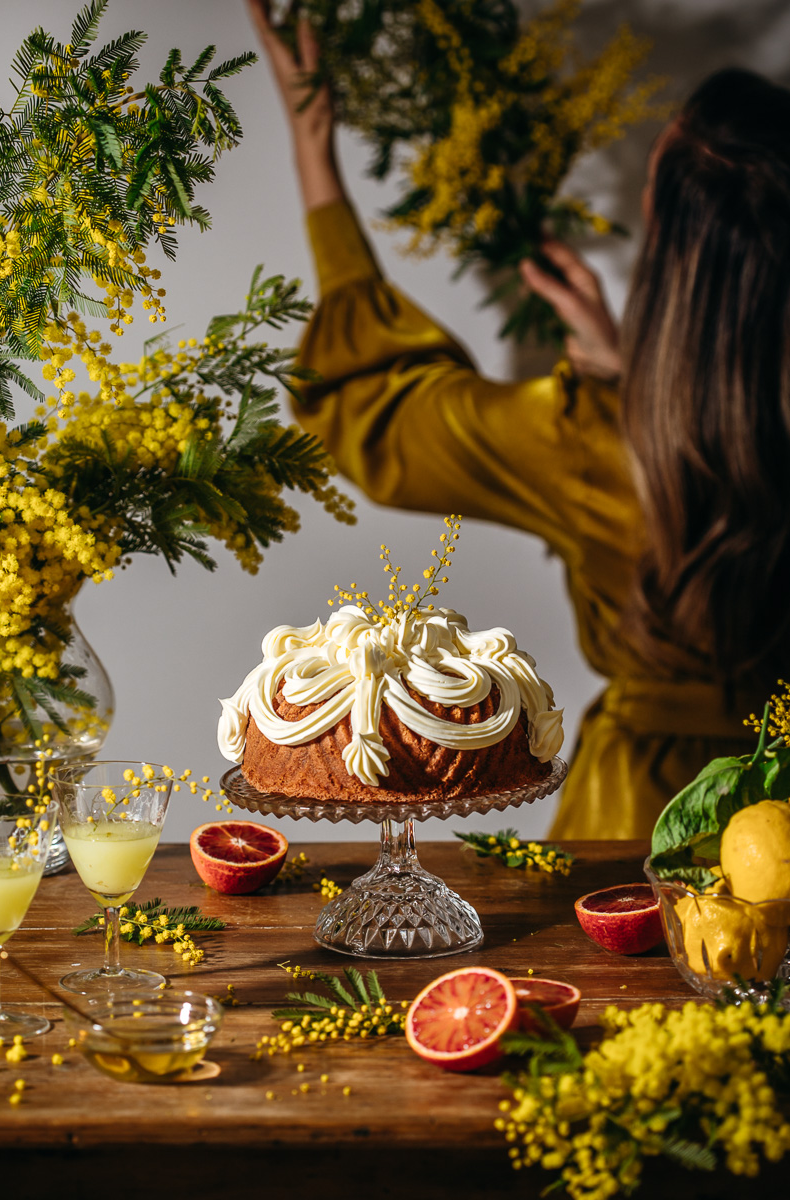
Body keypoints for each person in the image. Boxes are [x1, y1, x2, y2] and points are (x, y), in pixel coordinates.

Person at [247, 0, 790, 839]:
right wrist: (626, 374)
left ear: (667, 244)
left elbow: (375, 405)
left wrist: (315, 153)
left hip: (641, 831)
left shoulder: (584, 436)